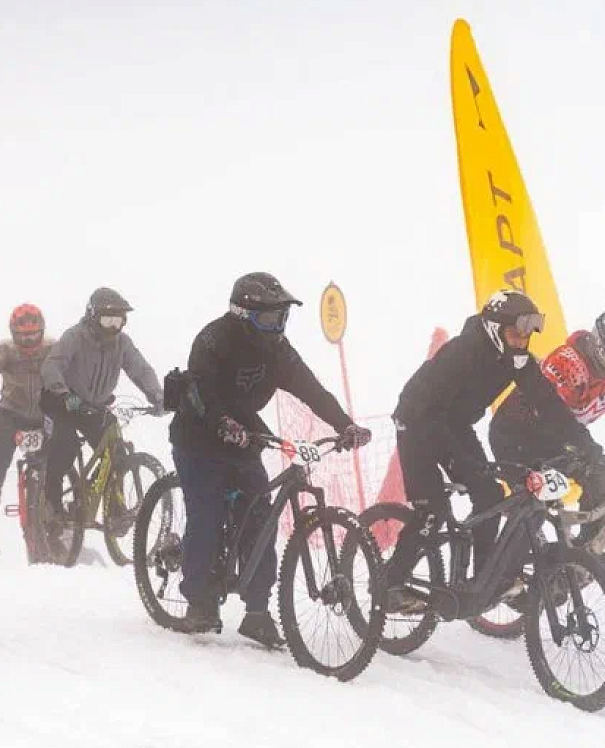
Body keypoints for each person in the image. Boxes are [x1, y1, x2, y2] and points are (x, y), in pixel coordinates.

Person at [168, 272, 371, 645]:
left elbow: (312, 390)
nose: (277, 326)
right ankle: (199, 603)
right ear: (243, 315)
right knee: (207, 514)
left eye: (281, 317)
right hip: (197, 437)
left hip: (244, 436)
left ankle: (257, 612)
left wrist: (346, 425)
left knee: (261, 519)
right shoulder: (213, 339)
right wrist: (222, 423)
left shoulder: (278, 350)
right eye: (269, 318)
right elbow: (201, 393)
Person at [387, 290, 600, 614]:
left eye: (527, 334)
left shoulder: (516, 359)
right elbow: (430, 413)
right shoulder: (461, 352)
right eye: (516, 333)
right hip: (417, 424)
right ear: (493, 327)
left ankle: (484, 582)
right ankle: (391, 583)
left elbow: (551, 407)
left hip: (454, 425)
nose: (521, 341)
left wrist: (589, 447)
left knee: (488, 494)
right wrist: (466, 462)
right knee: (430, 507)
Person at [39, 287, 163, 519]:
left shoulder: (122, 343)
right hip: (65, 401)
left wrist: (156, 395)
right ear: (92, 317)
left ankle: (112, 507)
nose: (113, 327)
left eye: (119, 320)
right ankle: (52, 502)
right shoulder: (75, 336)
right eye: (108, 320)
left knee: (115, 448)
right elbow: (51, 366)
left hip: (94, 406)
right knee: (65, 446)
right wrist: (64, 394)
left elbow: (140, 368)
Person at [490, 313, 605, 552]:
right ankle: (504, 580)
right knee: (532, 510)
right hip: (515, 435)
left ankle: (584, 554)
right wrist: (583, 446)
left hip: (556, 441)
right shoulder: (568, 362)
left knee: (600, 476)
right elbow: (551, 414)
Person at [0, 304, 53, 559]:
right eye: (23, 336)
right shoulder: (3, 351)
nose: (29, 340)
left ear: (41, 331)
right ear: (13, 334)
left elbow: (69, 376)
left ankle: (57, 521)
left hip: (43, 414)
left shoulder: (53, 349)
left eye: (33, 335)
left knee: (58, 462)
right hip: (11, 414)